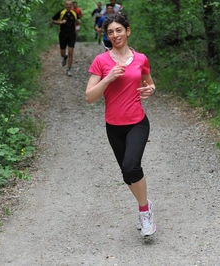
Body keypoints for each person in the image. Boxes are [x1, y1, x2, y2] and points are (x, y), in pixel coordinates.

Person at [85, 12, 157, 237]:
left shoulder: (141, 59)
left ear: (128, 31)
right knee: (127, 175)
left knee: (130, 167)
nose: (115, 35)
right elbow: (89, 97)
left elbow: (150, 84)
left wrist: (150, 90)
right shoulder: (101, 61)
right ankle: (146, 204)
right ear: (106, 36)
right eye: (110, 32)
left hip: (137, 122)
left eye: (119, 30)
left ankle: (145, 213)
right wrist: (108, 79)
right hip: (113, 125)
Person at [52, 0, 80, 77]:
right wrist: (60, 22)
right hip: (63, 34)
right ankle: (65, 57)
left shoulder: (74, 13)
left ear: (71, 5)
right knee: (62, 53)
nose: (68, 6)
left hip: (72, 34)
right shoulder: (61, 12)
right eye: (67, 4)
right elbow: (53, 21)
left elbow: (78, 22)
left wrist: (77, 23)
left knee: (71, 51)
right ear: (65, 5)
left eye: (70, 4)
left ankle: (69, 70)